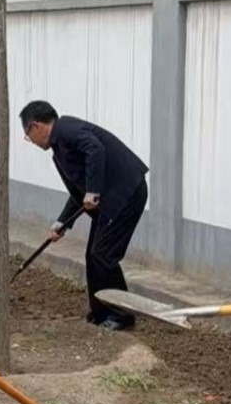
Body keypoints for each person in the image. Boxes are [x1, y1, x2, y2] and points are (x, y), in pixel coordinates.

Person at [19, 100, 148, 331]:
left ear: (36, 126)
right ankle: (100, 311)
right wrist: (62, 223)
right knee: (93, 255)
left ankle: (122, 315)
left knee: (103, 254)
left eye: (28, 136)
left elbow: (95, 149)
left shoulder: (66, 129)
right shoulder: (59, 150)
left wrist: (93, 190)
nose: (31, 142)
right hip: (109, 197)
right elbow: (79, 192)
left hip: (126, 192)